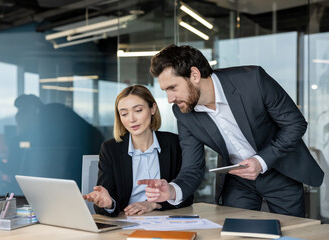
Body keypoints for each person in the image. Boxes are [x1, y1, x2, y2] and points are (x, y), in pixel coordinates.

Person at [138, 44, 324, 217]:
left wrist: (261, 161)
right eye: (165, 91)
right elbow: (192, 167)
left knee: (290, 233)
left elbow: (295, 124)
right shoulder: (183, 113)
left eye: (173, 88)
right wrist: (172, 190)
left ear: (194, 75)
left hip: (280, 170)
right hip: (238, 180)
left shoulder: (253, 80)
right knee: (234, 233)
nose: (170, 98)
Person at [83, 85, 193, 217]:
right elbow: (103, 201)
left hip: (164, 220)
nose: (131, 119)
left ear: (153, 109)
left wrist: (153, 204)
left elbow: (186, 195)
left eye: (138, 110)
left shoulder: (174, 144)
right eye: (124, 114)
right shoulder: (110, 149)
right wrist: (108, 204)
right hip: (126, 223)